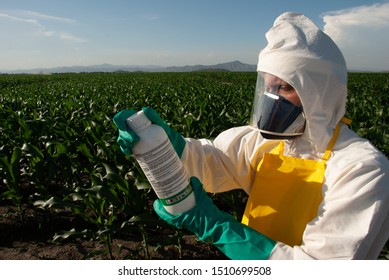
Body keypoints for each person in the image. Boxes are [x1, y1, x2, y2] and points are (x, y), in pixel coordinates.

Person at [113, 12, 389, 259]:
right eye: (268, 86)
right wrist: (168, 147)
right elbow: (213, 163)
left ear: (320, 93)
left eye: (284, 87)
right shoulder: (265, 142)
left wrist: (218, 228)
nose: (272, 98)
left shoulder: (362, 170)